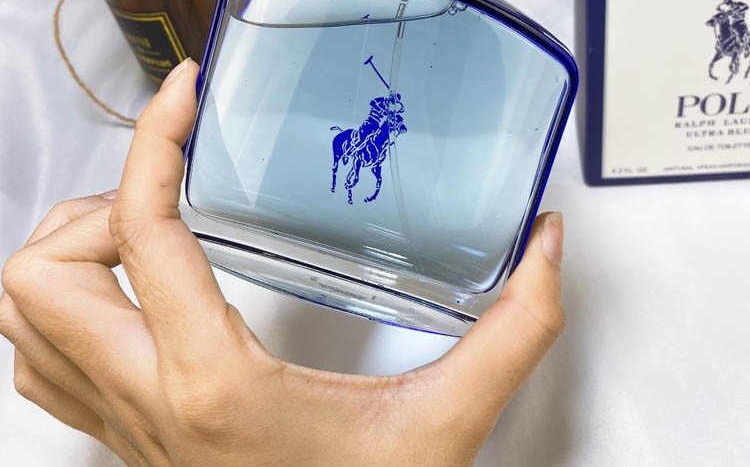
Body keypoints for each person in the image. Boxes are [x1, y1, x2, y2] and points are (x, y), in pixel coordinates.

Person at [0, 59, 565, 467]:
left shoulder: (390, 108)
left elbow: (395, 114)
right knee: (362, 148)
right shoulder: (375, 112)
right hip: (278, 213)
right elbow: (379, 111)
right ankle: (347, 178)